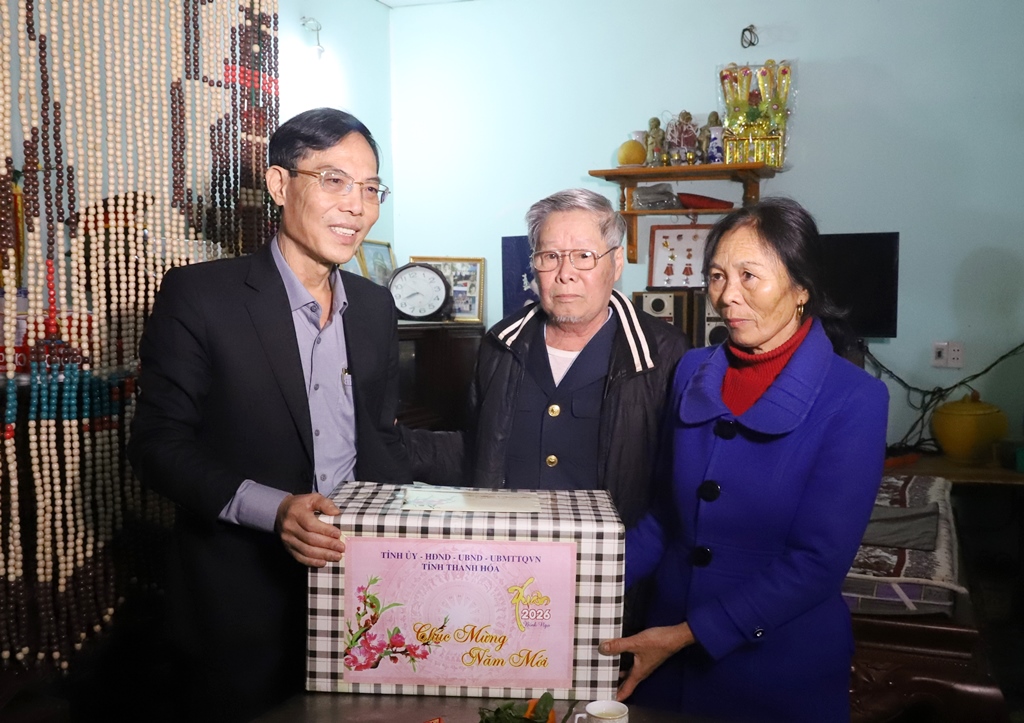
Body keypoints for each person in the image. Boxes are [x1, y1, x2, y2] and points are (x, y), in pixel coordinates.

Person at [128, 107, 411, 721]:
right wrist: (275, 509)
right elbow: (156, 445)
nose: (356, 206)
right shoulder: (201, 296)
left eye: (370, 189)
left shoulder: (375, 306)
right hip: (238, 601)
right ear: (280, 184)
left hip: (363, 593)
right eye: (334, 180)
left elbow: (380, 439)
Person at [598, 197, 888, 722]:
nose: (727, 296)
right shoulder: (691, 370)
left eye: (749, 276)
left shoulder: (856, 399)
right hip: (661, 660)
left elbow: (817, 563)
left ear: (802, 288)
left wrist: (685, 635)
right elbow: (665, 517)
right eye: (717, 276)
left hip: (776, 669)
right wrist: (584, 585)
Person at [404, 188, 688, 529]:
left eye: (584, 256)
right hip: (509, 546)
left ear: (615, 264)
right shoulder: (500, 345)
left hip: (609, 553)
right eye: (550, 256)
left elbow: (677, 483)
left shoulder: (665, 354)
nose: (565, 273)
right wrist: (387, 438)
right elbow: (479, 451)